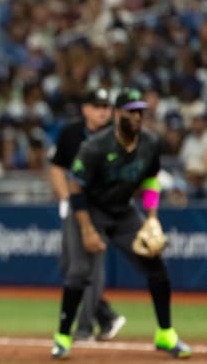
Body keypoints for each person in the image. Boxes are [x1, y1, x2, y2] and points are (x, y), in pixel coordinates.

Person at [51, 87, 191, 359]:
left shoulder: (150, 143)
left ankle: (165, 334)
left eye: (140, 112)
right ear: (117, 114)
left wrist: (151, 218)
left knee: (157, 266)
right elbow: (75, 187)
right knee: (78, 272)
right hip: (89, 211)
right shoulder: (96, 146)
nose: (137, 117)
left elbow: (151, 179)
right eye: (131, 112)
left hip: (124, 212)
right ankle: (63, 336)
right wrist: (88, 230)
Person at [48, 88, 125, 341]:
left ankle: (84, 328)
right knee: (70, 267)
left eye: (106, 106)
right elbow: (57, 168)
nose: (103, 110)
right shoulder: (71, 133)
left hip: (102, 208)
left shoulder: (116, 134)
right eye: (97, 105)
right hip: (76, 206)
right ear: (86, 109)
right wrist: (64, 200)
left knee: (91, 268)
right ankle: (107, 316)